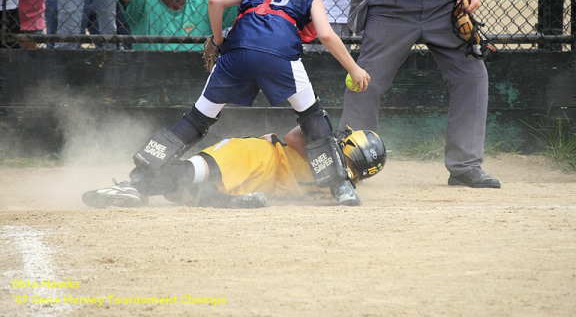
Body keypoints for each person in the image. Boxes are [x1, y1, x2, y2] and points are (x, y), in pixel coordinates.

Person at [129, 0, 371, 206]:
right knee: (312, 116)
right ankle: (341, 188)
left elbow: (216, 1)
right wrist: (354, 67)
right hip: (280, 55)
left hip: (236, 53)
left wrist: (218, 41)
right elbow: (326, 34)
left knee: (196, 120)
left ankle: (138, 180)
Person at [338, 0, 500, 189]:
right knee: (364, 79)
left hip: (444, 2)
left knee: (472, 75)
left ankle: (465, 166)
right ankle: (350, 163)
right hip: (392, 3)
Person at [81, 126, 387, 208]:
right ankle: (136, 189)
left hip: (262, 170)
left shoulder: (338, 184)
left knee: (195, 178)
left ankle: (134, 188)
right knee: (198, 174)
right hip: (263, 168)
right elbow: (296, 137)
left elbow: (295, 135)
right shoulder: (335, 176)